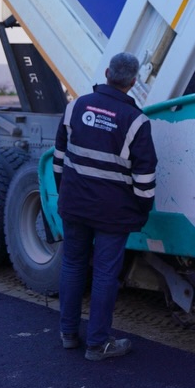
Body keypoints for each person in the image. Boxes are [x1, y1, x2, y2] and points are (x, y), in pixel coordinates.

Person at [54, 52, 157, 361]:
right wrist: (142, 210)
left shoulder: (75, 107)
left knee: (72, 264)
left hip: (75, 204)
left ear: (108, 73)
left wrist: (66, 194)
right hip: (113, 212)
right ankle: (97, 344)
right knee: (104, 274)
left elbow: (59, 159)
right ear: (133, 82)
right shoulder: (136, 121)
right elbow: (145, 176)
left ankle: (68, 333)